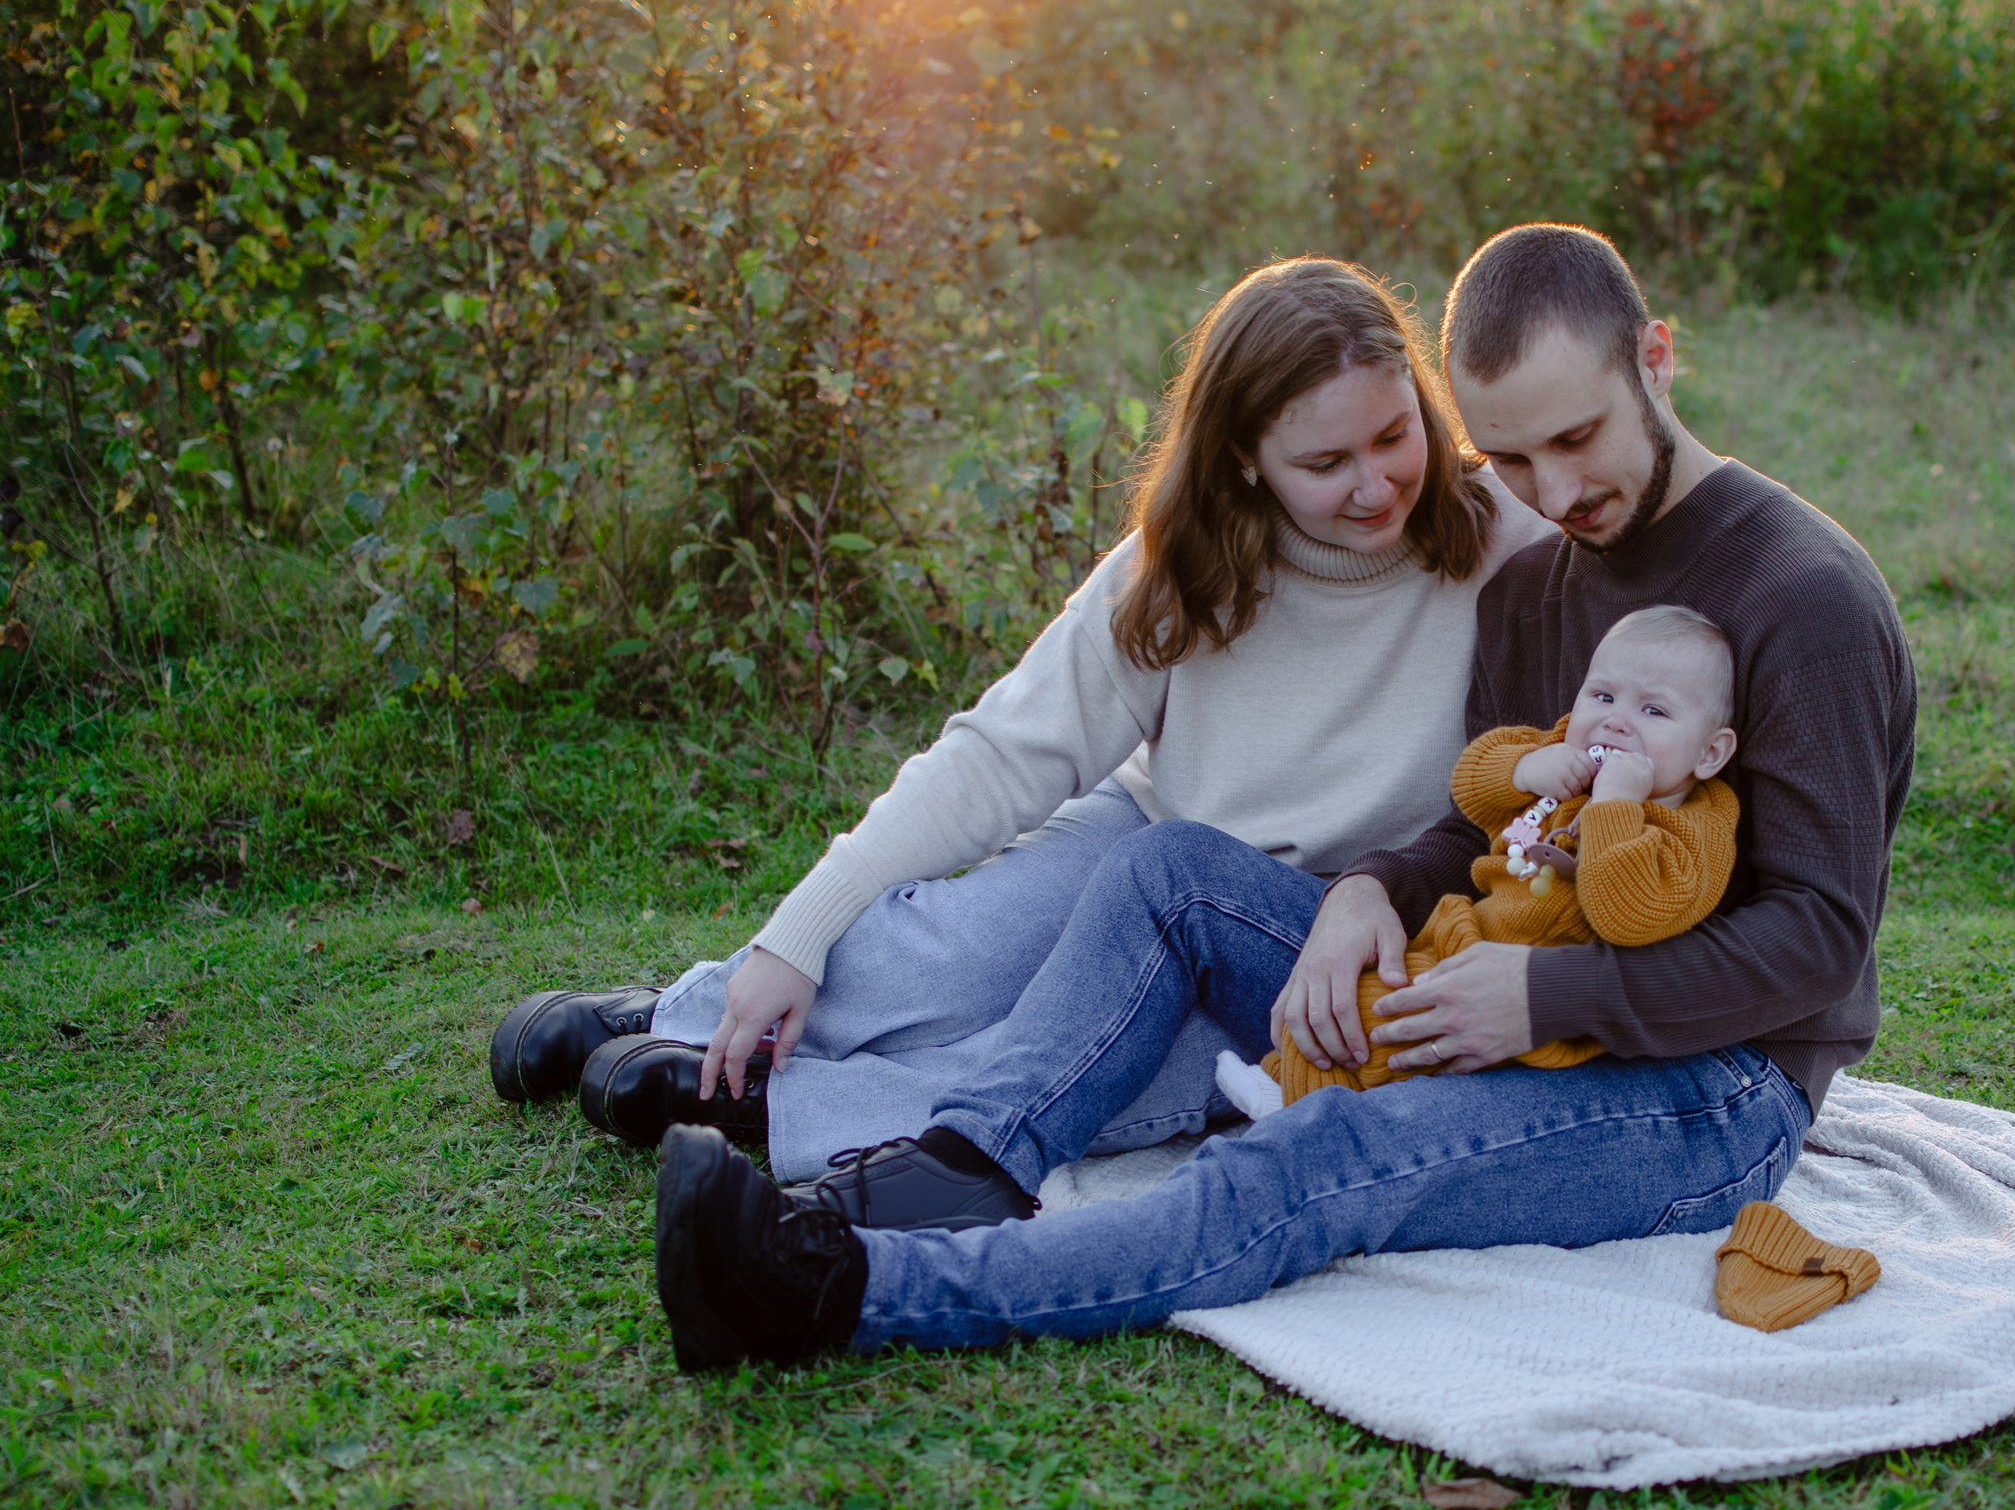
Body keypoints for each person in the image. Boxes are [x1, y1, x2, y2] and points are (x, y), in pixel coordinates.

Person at [647, 221, 1917, 1371]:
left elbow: (1818, 944)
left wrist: (1545, 991)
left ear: (1655, 357)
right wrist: (1372, 890)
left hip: (1704, 1088)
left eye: (1576, 438)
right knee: (1167, 867)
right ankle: (968, 1161)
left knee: (1316, 1156)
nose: (1552, 491)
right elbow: (1487, 818)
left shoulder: (1804, 599)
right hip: (1492, 970)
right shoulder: (1540, 579)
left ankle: (836, 1287)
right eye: (1508, 456)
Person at [486, 257, 1553, 1180]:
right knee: (957, 951)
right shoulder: (1185, 564)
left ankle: (765, 1103)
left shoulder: (1511, 536)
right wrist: (796, 932)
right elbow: (1002, 757)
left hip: (1333, 920)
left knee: (1113, 1049)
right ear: (1244, 458)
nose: (1376, 486)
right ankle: (695, 1011)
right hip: (1152, 841)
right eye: (1325, 464)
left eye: (1392, 435)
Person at [1213, 603, 1740, 1119]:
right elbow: (1471, 785)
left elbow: (1627, 915)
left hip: (1533, 1004)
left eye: (1654, 711)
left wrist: (1617, 807)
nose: (1617, 722)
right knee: (1360, 986)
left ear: (1709, 753)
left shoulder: (1695, 831)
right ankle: (1303, 1089)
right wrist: (1525, 768)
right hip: (1464, 938)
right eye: (1602, 696)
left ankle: (1295, 1097)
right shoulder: (1563, 758)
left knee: (1383, 1009)